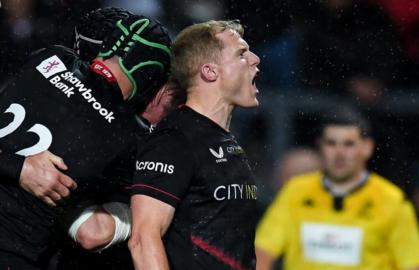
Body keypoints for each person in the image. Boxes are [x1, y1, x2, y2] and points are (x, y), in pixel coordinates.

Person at [0, 13, 171, 269]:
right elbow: (93, 232)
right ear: (150, 80)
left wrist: (15, 163)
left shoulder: (50, 56)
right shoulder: (129, 134)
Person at [128, 20, 261, 269]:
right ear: (209, 72)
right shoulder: (174, 139)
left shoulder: (219, 138)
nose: (255, 59)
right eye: (241, 54)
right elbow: (143, 240)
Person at [255, 108, 419, 270]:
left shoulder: (391, 200)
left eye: (348, 144)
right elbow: (262, 253)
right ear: (320, 147)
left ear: (367, 148)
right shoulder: (295, 192)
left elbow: (413, 265)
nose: (339, 153)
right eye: (331, 143)